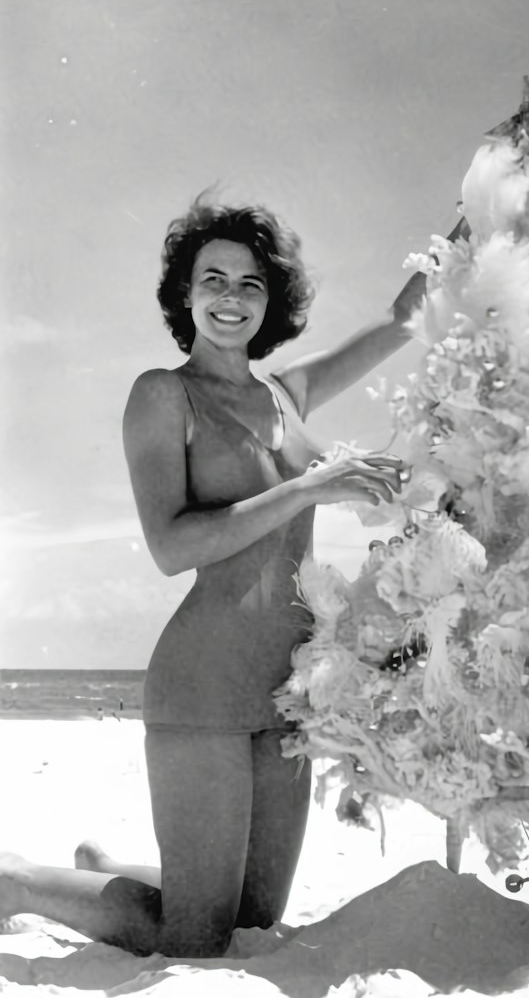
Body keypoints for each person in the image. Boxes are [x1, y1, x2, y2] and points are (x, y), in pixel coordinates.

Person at [0, 195, 467, 957]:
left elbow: (402, 320)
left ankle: (110, 870)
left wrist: (476, 215)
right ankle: (17, 881)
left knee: (252, 923)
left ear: (271, 299)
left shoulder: (286, 393)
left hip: (288, 690)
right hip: (203, 686)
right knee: (195, 938)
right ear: (183, 295)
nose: (230, 297)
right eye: (212, 279)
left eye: (250, 283)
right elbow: (171, 545)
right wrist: (310, 488)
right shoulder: (163, 395)